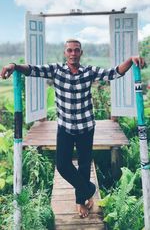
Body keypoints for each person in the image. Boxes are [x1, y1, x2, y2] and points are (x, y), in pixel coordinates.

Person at [0, 39, 145, 218]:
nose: (73, 53)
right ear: (65, 53)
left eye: (76, 50)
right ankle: (89, 189)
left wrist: (131, 60)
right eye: (70, 50)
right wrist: (13, 65)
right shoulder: (56, 70)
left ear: (81, 53)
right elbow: (32, 69)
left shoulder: (89, 71)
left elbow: (114, 73)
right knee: (62, 165)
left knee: (84, 165)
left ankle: (80, 201)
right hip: (65, 127)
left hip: (86, 127)